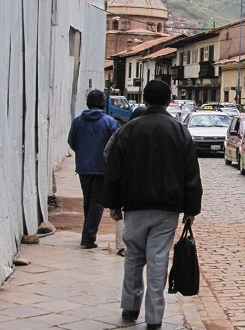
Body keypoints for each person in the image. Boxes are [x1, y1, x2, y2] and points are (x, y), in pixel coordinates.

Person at [102, 80, 203, 329]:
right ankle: (155, 316)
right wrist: (191, 210)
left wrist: (113, 203)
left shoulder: (129, 130)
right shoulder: (180, 131)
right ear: (169, 101)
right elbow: (191, 174)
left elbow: (114, 170)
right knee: (158, 260)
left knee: (133, 257)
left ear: (144, 100)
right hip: (166, 209)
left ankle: (130, 306)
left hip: (134, 205)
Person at [67, 89, 119, 249]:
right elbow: (115, 146)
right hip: (102, 168)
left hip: (83, 167)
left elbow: (72, 142)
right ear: (103, 103)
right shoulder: (110, 122)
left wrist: (83, 153)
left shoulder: (77, 122)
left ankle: (88, 232)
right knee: (97, 202)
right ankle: (88, 237)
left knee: (88, 200)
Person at [103, 106, 147, 257]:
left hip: (124, 180)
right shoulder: (149, 133)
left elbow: (107, 152)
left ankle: (122, 245)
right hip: (142, 182)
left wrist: (116, 168)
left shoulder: (121, 132)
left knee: (122, 213)